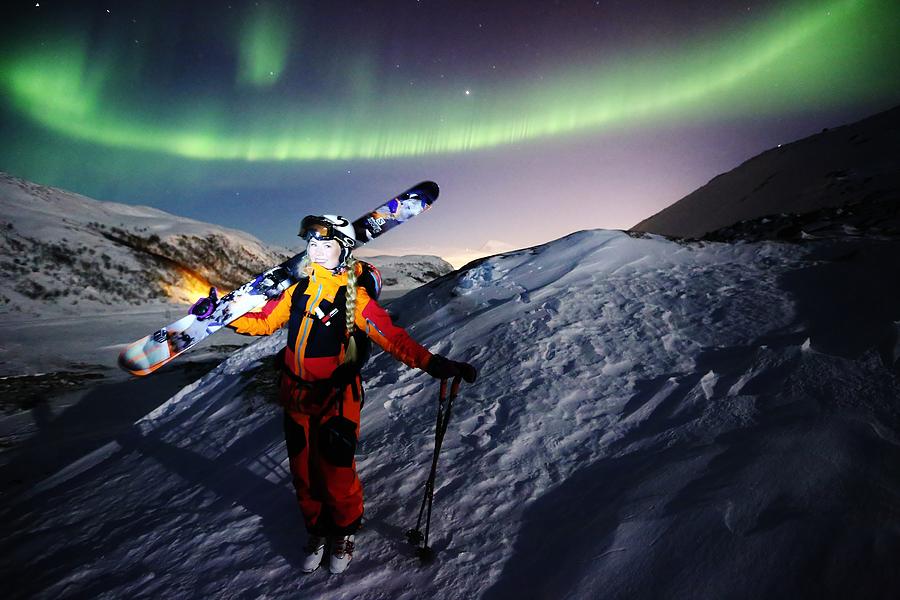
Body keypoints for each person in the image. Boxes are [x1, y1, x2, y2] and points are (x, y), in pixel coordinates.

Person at [220, 214, 475, 574]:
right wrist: (225, 313)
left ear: (343, 249)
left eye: (326, 244)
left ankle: (343, 531)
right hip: (295, 395)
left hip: (336, 398)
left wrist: (432, 363)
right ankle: (317, 530)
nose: (317, 250)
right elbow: (261, 322)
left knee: (336, 472)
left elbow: (392, 338)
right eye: (312, 244)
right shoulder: (298, 289)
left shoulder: (354, 296)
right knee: (304, 472)